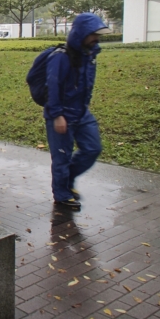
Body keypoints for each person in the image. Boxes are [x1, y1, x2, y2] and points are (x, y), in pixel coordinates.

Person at [44, 13, 111, 210]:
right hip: (61, 114)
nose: (96, 39)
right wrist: (57, 115)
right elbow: (52, 87)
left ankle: (68, 179)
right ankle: (62, 195)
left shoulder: (89, 55)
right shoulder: (60, 57)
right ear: (82, 33)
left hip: (82, 113)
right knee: (62, 156)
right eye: (93, 34)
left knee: (92, 148)